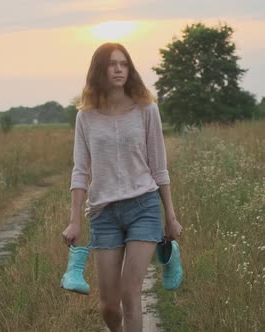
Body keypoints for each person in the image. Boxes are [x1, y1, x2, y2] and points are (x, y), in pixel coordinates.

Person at [62, 42, 182, 332]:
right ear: (99, 71)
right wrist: (74, 221)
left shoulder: (146, 109)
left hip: (144, 206)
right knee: (108, 306)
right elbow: (80, 171)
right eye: (112, 64)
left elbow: (159, 167)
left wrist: (171, 216)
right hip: (104, 213)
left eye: (124, 63)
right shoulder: (85, 117)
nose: (119, 69)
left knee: (131, 294)